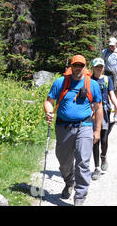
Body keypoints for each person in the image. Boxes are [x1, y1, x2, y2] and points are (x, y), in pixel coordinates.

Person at [43, 55, 103, 206]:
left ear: (85, 67)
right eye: (75, 65)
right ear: (71, 66)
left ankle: (80, 197)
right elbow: (49, 101)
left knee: (83, 161)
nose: (78, 68)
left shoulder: (92, 84)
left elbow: (98, 107)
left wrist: (97, 130)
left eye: (81, 65)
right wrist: (48, 112)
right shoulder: (61, 82)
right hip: (63, 126)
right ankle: (69, 182)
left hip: (85, 126)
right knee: (64, 160)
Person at [90, 57, 117, 181]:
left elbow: (112, 95)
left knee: (104, 139)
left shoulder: (107, 79)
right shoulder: (89, 80)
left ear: (103, 68)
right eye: (97, 66)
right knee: (94, 139)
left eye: (101, 67)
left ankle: (103, 155)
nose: (99, 69)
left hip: (104, 112)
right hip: (91, 112)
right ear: (93, 67)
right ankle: (97, 168)